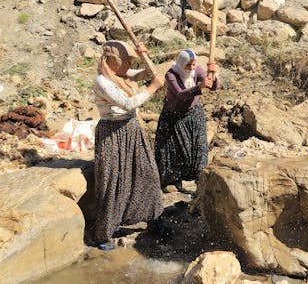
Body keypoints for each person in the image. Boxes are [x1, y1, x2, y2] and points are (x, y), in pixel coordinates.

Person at [93, 40, 164, 250]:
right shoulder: (103, 81)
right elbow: (127, 103)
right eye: (126, 61)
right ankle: (104, 234)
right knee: (113, 182)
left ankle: (154, 220)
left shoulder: (121, 75)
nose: (128, 66)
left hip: (132, 130)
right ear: (113, 62)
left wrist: (144, 56)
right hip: (112, 134)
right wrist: (152, 88)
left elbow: (146, 74)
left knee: (148, 173)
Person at [154, 49, 218, 191]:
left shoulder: (197, 70)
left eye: (194, 64)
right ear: (182, 64)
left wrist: (213, 77)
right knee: (174, 150)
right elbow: (182, 94)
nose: (192, 68)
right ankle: (172, 181)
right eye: (188, 65)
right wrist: (200, 86)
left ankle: (197, 178)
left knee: (198, 147)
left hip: (193, 114)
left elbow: (213, 87)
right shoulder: (171, 75)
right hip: (174, 116)